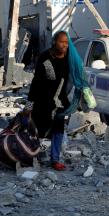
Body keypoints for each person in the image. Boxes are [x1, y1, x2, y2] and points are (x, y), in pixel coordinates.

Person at [27, 31, 72, 171]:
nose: (64, 45)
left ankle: (55, 159)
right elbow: (36, 82)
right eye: (61, 42)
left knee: (58, 128)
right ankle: (30, 155)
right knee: (39, 128)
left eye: (66, 42)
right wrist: (29, 104)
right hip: (43, 100)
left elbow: (76, 73)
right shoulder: (45, 58)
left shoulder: (69, 57)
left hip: (60, 100)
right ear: (54, 42)